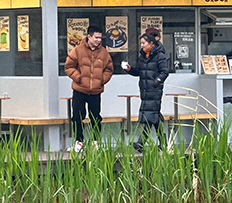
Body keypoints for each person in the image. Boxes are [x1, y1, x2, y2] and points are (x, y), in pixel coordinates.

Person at [64, 23, 113, 152]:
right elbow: (68, 66)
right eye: (96, 38)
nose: (98, 40)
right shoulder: (77, 50)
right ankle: (79, 142)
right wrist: (78, 78)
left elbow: (109, 69)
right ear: (89, 37)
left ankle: (95, 142)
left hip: (95, 91)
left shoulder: (104, 53)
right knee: (77, 116)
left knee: (95, 117)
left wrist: (101, 80)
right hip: (79, 90)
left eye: (100, 38)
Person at [122, 29, 169, 151]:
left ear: (151, 43)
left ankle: (141, 142)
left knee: (150, 116)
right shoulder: (143, 57)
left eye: (143, 43)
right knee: (153, 116)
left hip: (154, 90)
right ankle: (162, 143)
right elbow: (139, 71)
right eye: (141, 43)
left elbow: (165, 71)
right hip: (144, 90)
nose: (142, 45)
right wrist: (129, 69)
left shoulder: (159, 55)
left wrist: (156, 82)